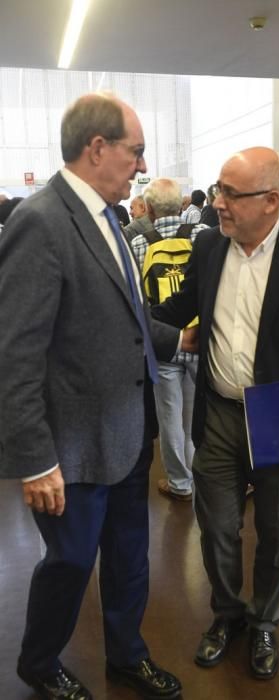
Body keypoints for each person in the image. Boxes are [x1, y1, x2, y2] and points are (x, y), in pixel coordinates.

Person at [0, 93, 191, 700]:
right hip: (72, 448)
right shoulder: (41, 221)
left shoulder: (109, 217)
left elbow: (125, 317)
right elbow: (15, 354)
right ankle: (38, 660)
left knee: (131, 556)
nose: (141, 164)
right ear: (98, 148)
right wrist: (34, 458)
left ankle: (126, 655)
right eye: (135, 150)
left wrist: (180, 337)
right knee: (71, 562)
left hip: (129, 433)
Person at [153, 146, 279, 680]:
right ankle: (227, 614)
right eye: (218, 189)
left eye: (229, 194)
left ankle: (265, 619)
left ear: (271, 201)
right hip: (218, 412)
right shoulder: (209, 247)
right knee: (216, 525)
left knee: (277, 528)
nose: (218, 202)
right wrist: (122, 308)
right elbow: (172, 314)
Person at [131, 177, 208, 501]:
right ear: (182, 204)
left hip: (163, 341)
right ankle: (203, 476)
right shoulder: (204, 237)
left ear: (148, 209)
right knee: (198, 415)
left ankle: (180, 483)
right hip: (201, 336)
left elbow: (135, 300)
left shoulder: (136, 242)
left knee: (169, 416)